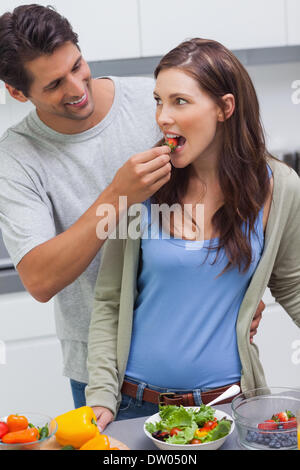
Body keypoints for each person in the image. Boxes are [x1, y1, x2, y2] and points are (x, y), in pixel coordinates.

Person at [0, 6, 263, 408]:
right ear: (18, 93)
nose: (76, 88)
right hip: (104, 375)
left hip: (208, 368)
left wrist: (246, 286)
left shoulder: (155, 102)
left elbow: (231, 191)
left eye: (77, 65)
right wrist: (116, 196)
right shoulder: (17, 157)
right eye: (54, 84)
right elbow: (38, 279)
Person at [85, 38, 300, 432]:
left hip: (229, 408)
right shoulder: (140, 186)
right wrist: (101, 395)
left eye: (179, 101)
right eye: (158, 101)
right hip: (136, 405)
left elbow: (293, 285)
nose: (163, 116)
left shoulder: (279, 187)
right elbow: (110, 300)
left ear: (224, 108)